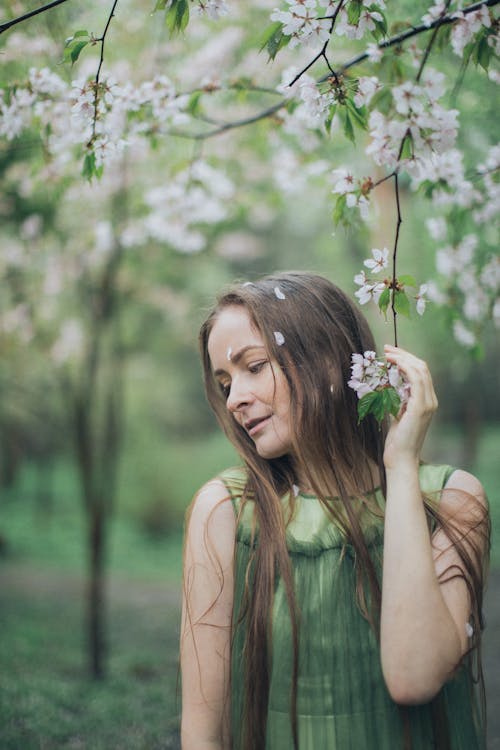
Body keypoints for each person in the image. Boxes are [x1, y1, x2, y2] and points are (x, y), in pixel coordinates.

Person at [180, 271, 490, 750]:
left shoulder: (452, 501)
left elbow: (414, 677)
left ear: (326, 361)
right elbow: (202, 737)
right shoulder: (226, 513)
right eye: (225, 382)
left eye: (254, 367)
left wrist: (401, 467)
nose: (235, 398)